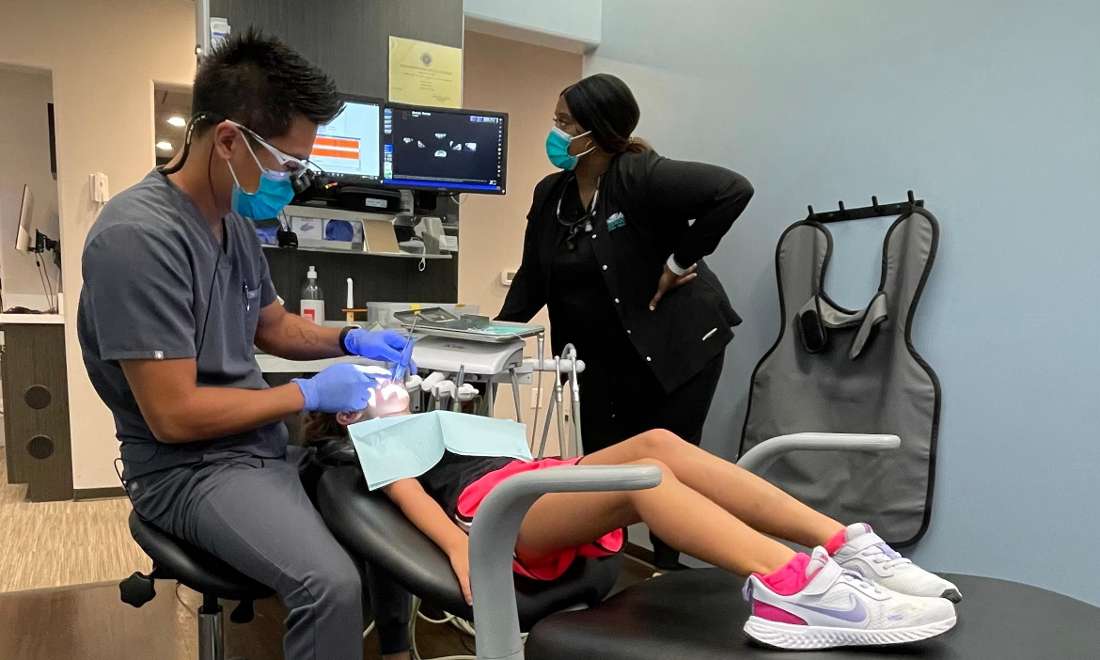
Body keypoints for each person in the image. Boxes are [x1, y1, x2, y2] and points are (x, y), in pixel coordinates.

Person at [77, 30, 409, 660]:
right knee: (329, 586)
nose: (293, 180)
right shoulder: (137, 239)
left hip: (258, 449)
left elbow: (275, 327)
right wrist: (303, 392)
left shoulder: (231, 224)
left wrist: (351, 336)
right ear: (228, 140)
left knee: (390, 509)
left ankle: (397, 648)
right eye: (288, 163)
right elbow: (173, 417)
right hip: (188, 471)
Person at [303, 390, 961, 652]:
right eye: (365, 388)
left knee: (660, 443)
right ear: (343, 413)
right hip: (499, 512)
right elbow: (407, 495)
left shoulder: (429, 418)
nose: (384, 386)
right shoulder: (370, 438)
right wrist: (457, 549)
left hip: (533, 480)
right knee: (645, 483)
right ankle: (791, 586)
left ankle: (843, 544)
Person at [497, 73, 753, 570]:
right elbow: (532, 276)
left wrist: (680, 261)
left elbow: (732, 190)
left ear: (596, 130)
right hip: (601, 357)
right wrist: (491, 336)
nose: (555, 131)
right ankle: (601, 570)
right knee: (602, 463)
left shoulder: (640, 175)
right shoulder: (552, 193)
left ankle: (669, 573)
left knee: (667, 465)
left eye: (565, 122)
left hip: (678, 347)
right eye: (556, 120)